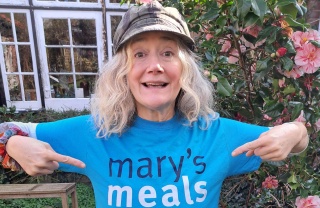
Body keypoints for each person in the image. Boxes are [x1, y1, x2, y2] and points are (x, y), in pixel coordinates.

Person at [0, 1, 309, 207]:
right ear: (122, 71)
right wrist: (13, 144)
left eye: (167, 53)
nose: (155, 66)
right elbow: (5, 131)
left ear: (184, 69)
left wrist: (292, 134)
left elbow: (298, 136)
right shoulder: (94, 133)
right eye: (139, 54)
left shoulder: (214, 134)